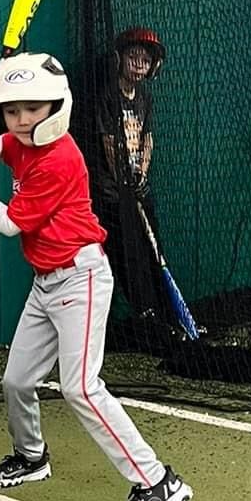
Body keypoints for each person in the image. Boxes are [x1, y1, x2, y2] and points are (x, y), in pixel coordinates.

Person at [0, 52, 192, 501]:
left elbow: (10, 223)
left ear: (55, 107)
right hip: (46, 283)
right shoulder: (23, 140)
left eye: (32, 109)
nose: (21, 120)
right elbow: (5, 147)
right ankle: (31, 455)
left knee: (81, 386)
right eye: (12, 110)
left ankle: (155, 480)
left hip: (80, 279)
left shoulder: (59, 159)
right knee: (17, 380)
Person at [91, 25, 166, 344]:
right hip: (110, 192)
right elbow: (108, 142)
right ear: (120, 59)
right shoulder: (107, 95)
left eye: (145, 60)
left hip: (135, 188)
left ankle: (155, 313)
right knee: (119, 255)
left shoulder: (145, 98)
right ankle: (122, 319)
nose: (139, 64)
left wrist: (141, 174)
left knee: (150, 249)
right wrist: (123, 180)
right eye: (133, 57)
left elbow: (147, 138)